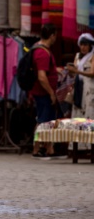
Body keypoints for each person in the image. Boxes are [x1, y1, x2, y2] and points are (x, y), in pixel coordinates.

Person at [30, 23, 64, 160]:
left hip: (43, 92)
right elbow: (42, 77)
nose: (56, 38)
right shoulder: (42, 52)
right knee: (42, 121)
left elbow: (44, 70)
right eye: (55, 35)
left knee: (48, 121)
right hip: (42, 92)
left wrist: (56, 70)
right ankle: (36, 149)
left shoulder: (41, 49)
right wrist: (51, 92)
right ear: (52, 36)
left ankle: (49, 149)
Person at [69, 32, 94, 120]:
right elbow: (74, 72)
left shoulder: (92, 57)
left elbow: (92, 73)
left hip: (89, 89)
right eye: (81, 45)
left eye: (85, 45)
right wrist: (70, 71)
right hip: (78, 87)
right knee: (77, 113)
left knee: (88, 114)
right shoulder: (77, 56)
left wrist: (77, 71)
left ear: (90, 45)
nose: (83, 47)